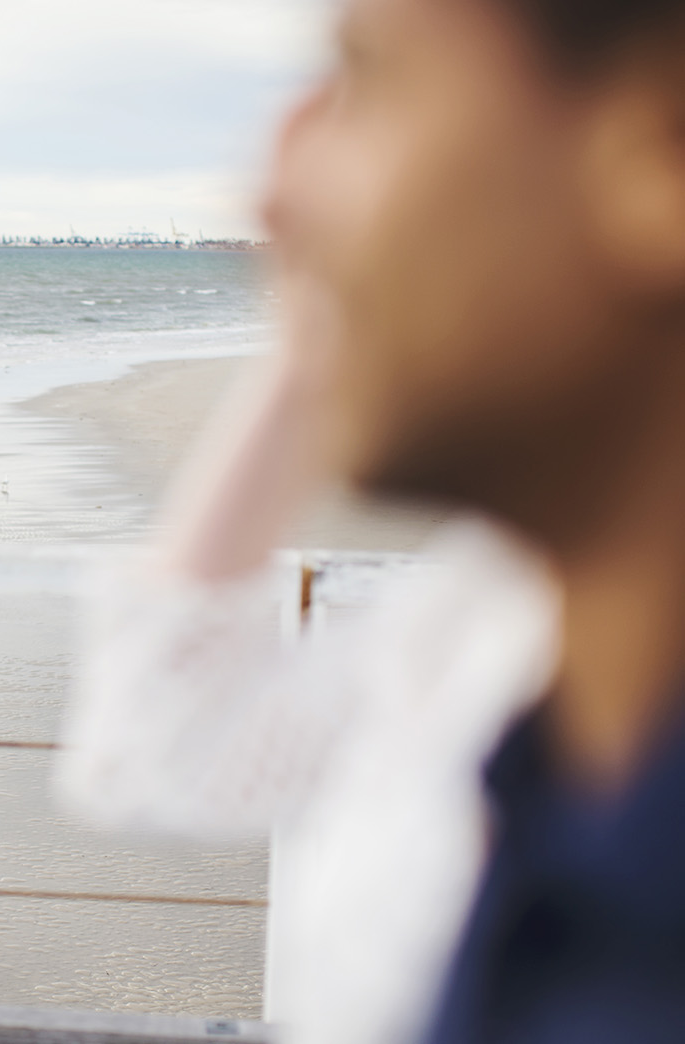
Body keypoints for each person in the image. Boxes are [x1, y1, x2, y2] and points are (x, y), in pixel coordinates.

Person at [57, 0, 685, 1041]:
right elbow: (153, 743)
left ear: (663, 146)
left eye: (369, 81)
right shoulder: (494, 619)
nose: (266, 202)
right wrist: (332, 338)